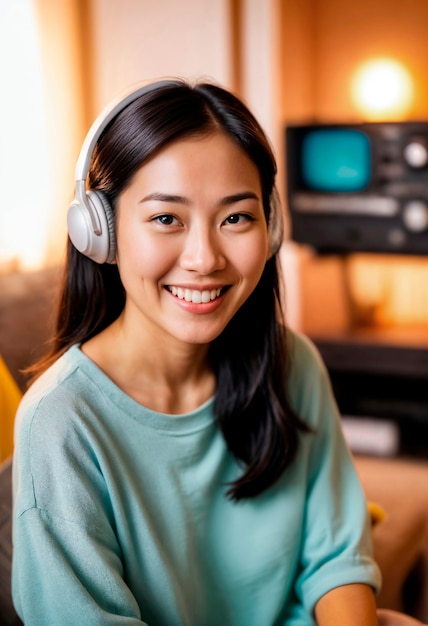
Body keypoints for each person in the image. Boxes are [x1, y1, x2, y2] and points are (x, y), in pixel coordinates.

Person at [12, 77, 381, 625]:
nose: (205, 258)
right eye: (166, 218)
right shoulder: (60, 422)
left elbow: (337, 560)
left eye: (236, 217)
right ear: (100, 232)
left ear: (271, 227)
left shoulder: (292, 362)